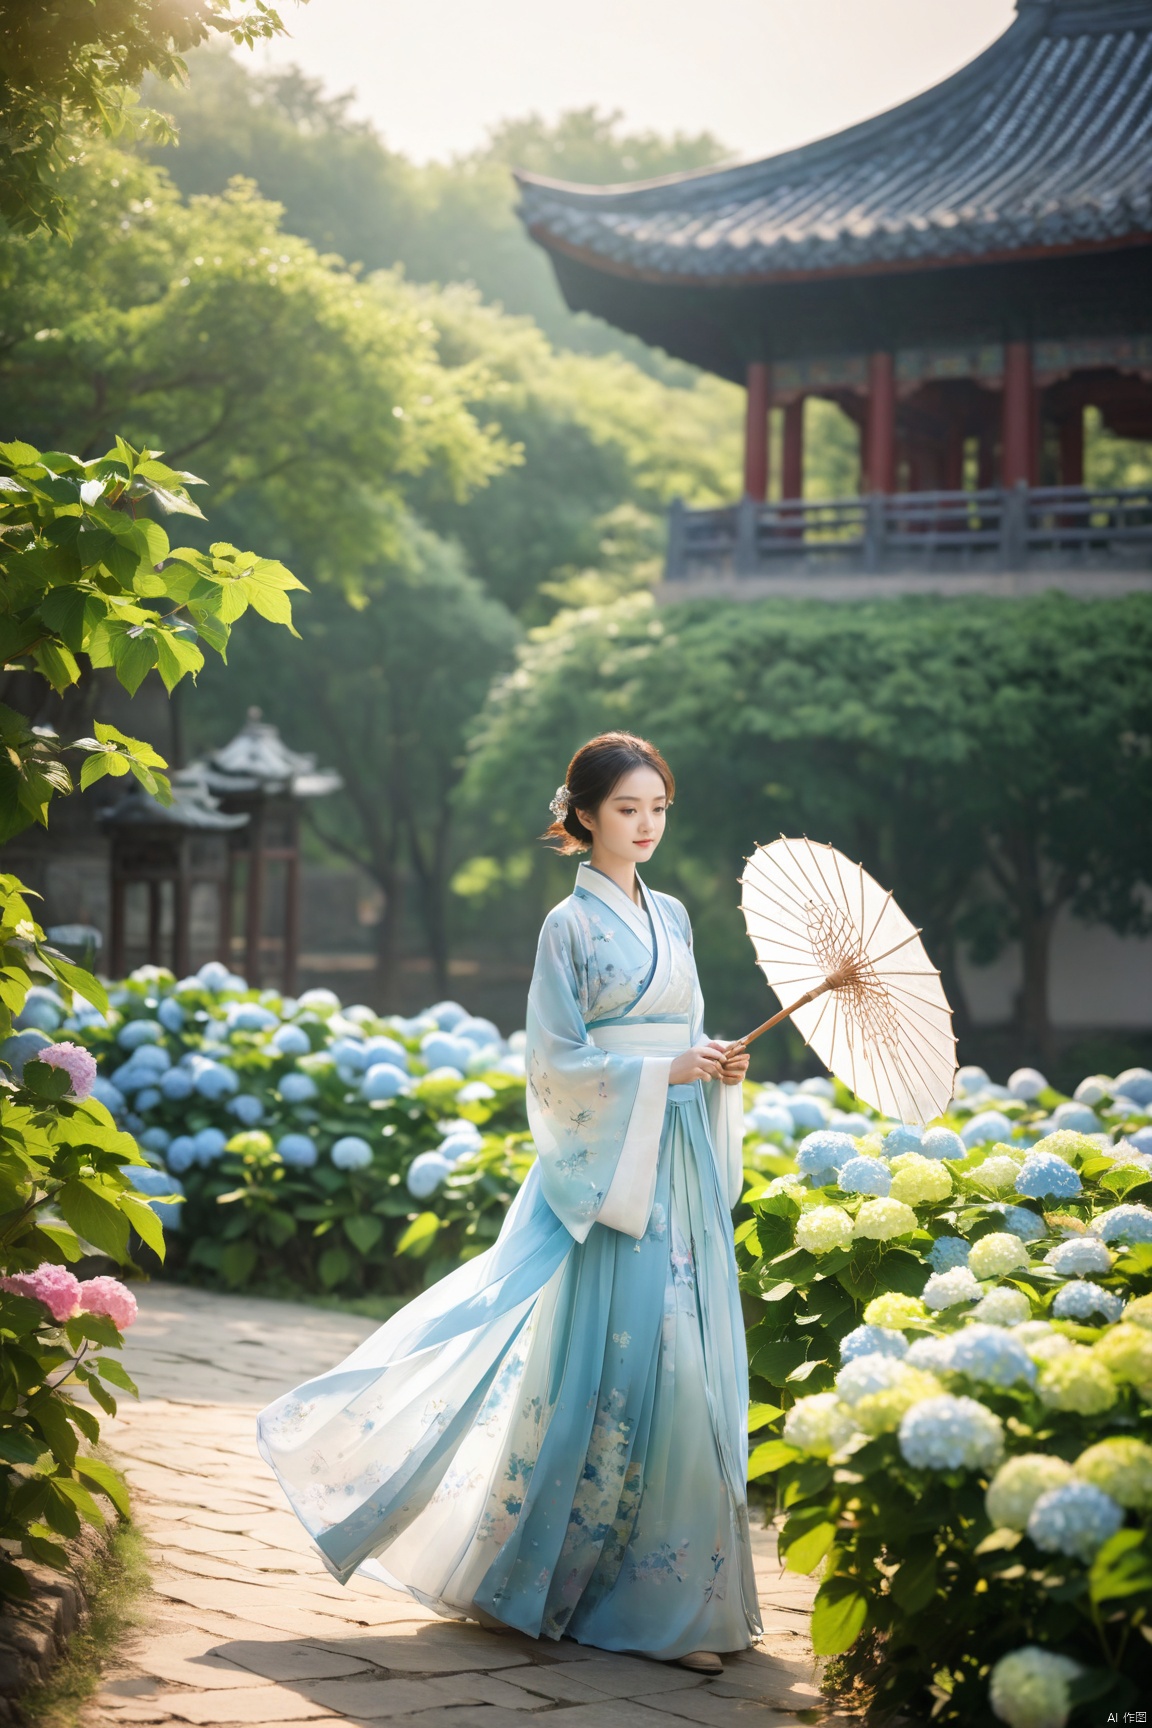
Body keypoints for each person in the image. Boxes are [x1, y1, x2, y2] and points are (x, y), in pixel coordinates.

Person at [257, 731, 762, 1672]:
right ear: (582, 816)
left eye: (659, 808)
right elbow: (557, 1065)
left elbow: (685, 1032)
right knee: (610, 1373)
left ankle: (678, 1598)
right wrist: (664, 1068)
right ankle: (573, 1587)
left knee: (684, 1367)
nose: (646, 825)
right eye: (627, 808)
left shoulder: (678, 918)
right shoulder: (565, 929)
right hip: (614, 1173)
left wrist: (717, 1063)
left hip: (674, 1163)